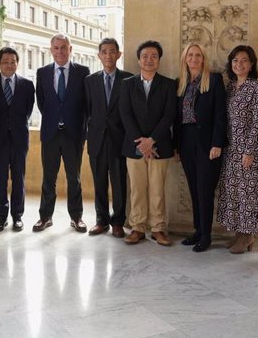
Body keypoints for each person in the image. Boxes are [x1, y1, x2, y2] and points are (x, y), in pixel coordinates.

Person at [120, 40, 176, 246]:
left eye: (154, 56)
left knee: (157, 189)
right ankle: (137, 228)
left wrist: (151, 140)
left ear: (159, 60)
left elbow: (169, 116)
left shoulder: (169, 84)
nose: (149, 59)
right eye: (145, 56)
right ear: (138, 59)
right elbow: (125, 114)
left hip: (160, 146)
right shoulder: (127, 84)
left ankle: (159, 229)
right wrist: (141, 143)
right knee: (136, 189)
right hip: (133, 146)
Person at [33, 33, 90, 233]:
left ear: (70, 49)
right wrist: (55, 118)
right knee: (49, 177)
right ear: (51, 50)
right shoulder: (42, 72)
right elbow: (42, 102)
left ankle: (77, 218)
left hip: (73, 134)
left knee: (73, 178)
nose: (60, 51)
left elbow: (86, 104)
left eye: (63, 47)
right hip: (50, 133)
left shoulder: (83, 72)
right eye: (56, 48)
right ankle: (45, 217)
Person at [175, 43, 227, 252]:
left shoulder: (213, 80)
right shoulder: (181, 83)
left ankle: (206, 235)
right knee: (194, 188)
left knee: (205, 189)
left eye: (198, 55)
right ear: (185, 59)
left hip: (208, 143)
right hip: (187, 141)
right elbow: (177, 117)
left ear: (203, 59)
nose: (194, 58)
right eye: (190, 55)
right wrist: (177, 146)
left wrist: (217, 143)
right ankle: (197, 230)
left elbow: (220, 115)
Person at [216, 45, 258, 254]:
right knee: (233, 193)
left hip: (247, 150)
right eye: (235, 60)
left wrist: (250, 151)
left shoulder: (256, 88)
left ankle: (248, 235)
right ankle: (238, 232)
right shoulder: (229, 88)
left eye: (244, 60)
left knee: (248, 193)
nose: (239, 64)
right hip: (230, 150)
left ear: (252, 64)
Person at [85, 38, 133, 238]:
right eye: (104, 52)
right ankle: (101, 220)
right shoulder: (90, 80)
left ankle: (118, 222)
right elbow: (88, 110)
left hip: (119, 140)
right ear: (99, 55)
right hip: (96, 140)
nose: (108, 55)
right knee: (99, 183)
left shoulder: (128, 79)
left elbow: (130, 111)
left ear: (118, 54)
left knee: (119, 183)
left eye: (112, 51)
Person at [0, 47, 35, 232]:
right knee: (0, 178)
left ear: (17, 63)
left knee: (18, 178)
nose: (9, 65)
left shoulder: (27, 85)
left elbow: (28, 111)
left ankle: (17, 216)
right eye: (5, 61)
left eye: (13, 61)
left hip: (19, 139)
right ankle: (1, 216)